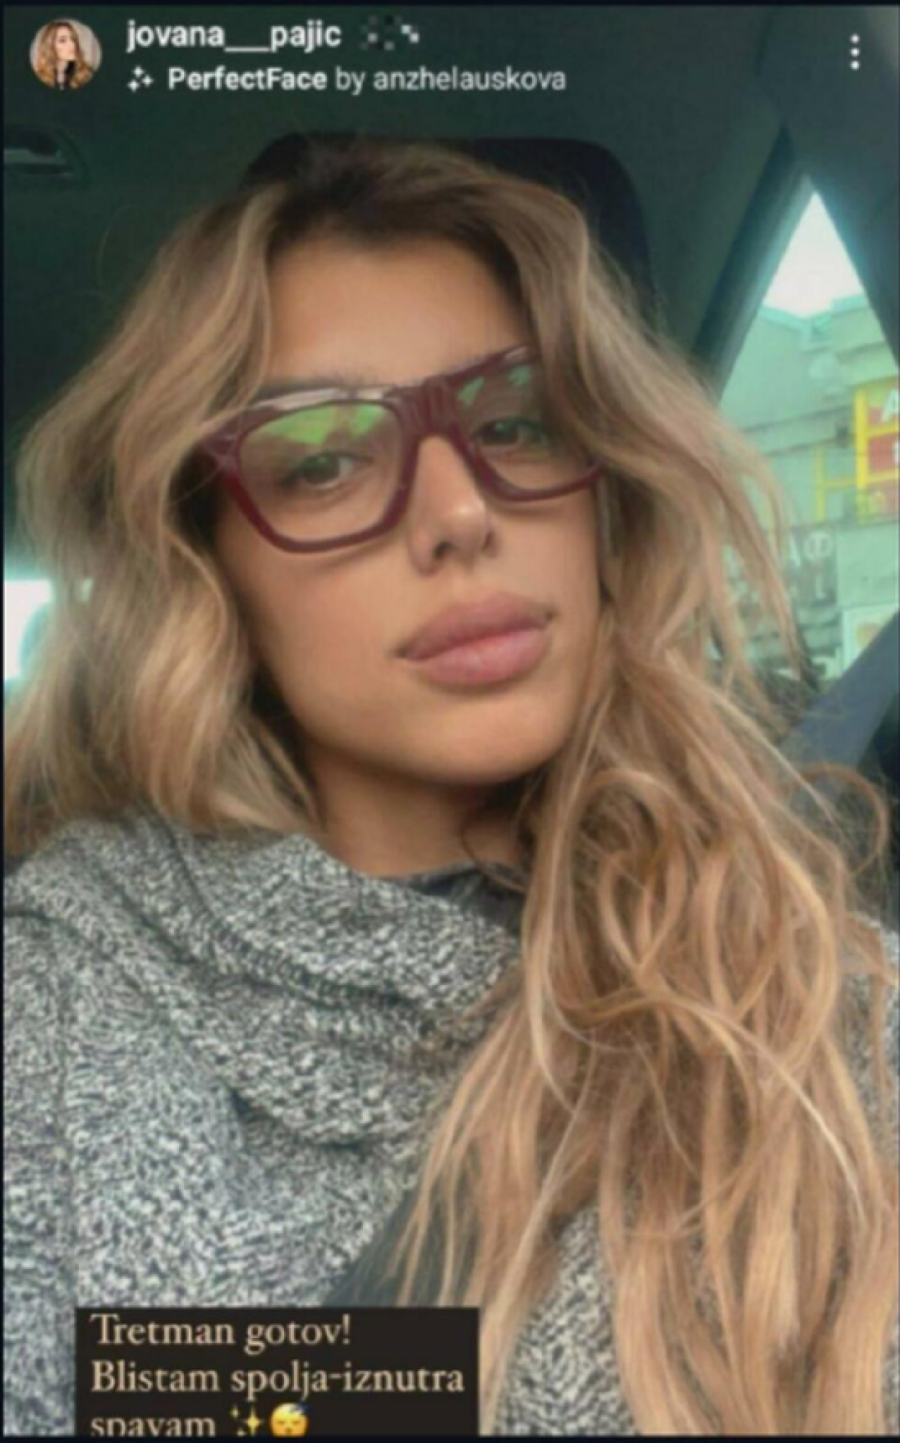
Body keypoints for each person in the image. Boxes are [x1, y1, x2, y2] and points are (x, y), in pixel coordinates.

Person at [4, 133, 898, 1437]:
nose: (462, 510)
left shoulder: (825, 997)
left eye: (515, 421)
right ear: (200, 563)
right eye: (321, 458)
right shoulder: (50, 1004)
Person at [32, 19, 94, 92]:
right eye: (62, 41)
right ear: (49, 46)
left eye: (73, 39)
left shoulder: (86, 74)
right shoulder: (39, 76)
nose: (72, 45)